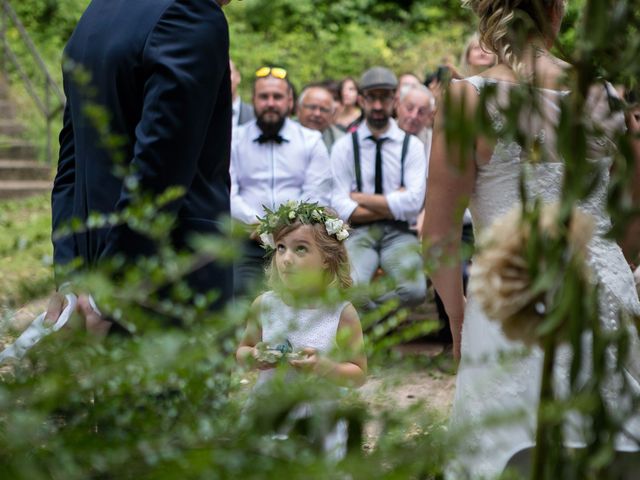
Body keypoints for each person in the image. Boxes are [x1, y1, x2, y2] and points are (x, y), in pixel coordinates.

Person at [422, 0, 640, 477]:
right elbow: (634, 217)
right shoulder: (604, 94)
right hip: (603, 289)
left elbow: (437, 233)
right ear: (557, 14)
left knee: (510, 451)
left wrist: (458, 320)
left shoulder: (466, 100)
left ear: (484, 15)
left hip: (509, 298)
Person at [48, 0, 235, 333]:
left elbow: (71, 166)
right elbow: (160, 171)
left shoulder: (96, 14)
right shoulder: (189, 15)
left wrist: (70, 275)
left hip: (93, 272)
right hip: (165, 283)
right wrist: (112, 290)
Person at [236, 201, 366, 388]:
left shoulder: (341, 313)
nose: (286, 259)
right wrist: (253, 356)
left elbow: (359, 375)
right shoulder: (264, 305)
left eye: (300, 249)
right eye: (281, 247)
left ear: (326, 259)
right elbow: (242, 351)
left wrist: (326, 367)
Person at [330, 67, 427, 310]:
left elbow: (414, 203)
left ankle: (371, 321)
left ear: (394, 100)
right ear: (361, 100)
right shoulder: (344, 147)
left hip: (399, 233)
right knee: (350, 288)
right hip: (358, 232)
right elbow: (340, 205)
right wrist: (394, 205)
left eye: (384, 97)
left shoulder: (411, 145)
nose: (377, 105)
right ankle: (378, 328)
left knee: (414, 291)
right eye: (371, 97)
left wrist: (360, 198)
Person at [230, 67, 331, 296]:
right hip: (249, 241)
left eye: (277, 97)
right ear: (253, 100)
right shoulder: (233, 141)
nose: (271, 103)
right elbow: (229, 194)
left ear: (290, 101)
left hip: (300, 240)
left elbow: (317, 195)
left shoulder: (311, 141)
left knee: (301, 303)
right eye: (264, 97)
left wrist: (286, 228)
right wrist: (260, 226)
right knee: (241, 293)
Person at [297, 84, 345, 152]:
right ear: (298, 109)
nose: (317, 114)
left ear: (332, 114)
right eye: (312, 107)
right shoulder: (284, 132)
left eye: (323, 110)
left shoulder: (341, 141)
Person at [230, 59, 255, 129]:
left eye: (228, 73)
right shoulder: (202, 115)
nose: (223, 79)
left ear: (238, 76)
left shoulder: (255, 116)